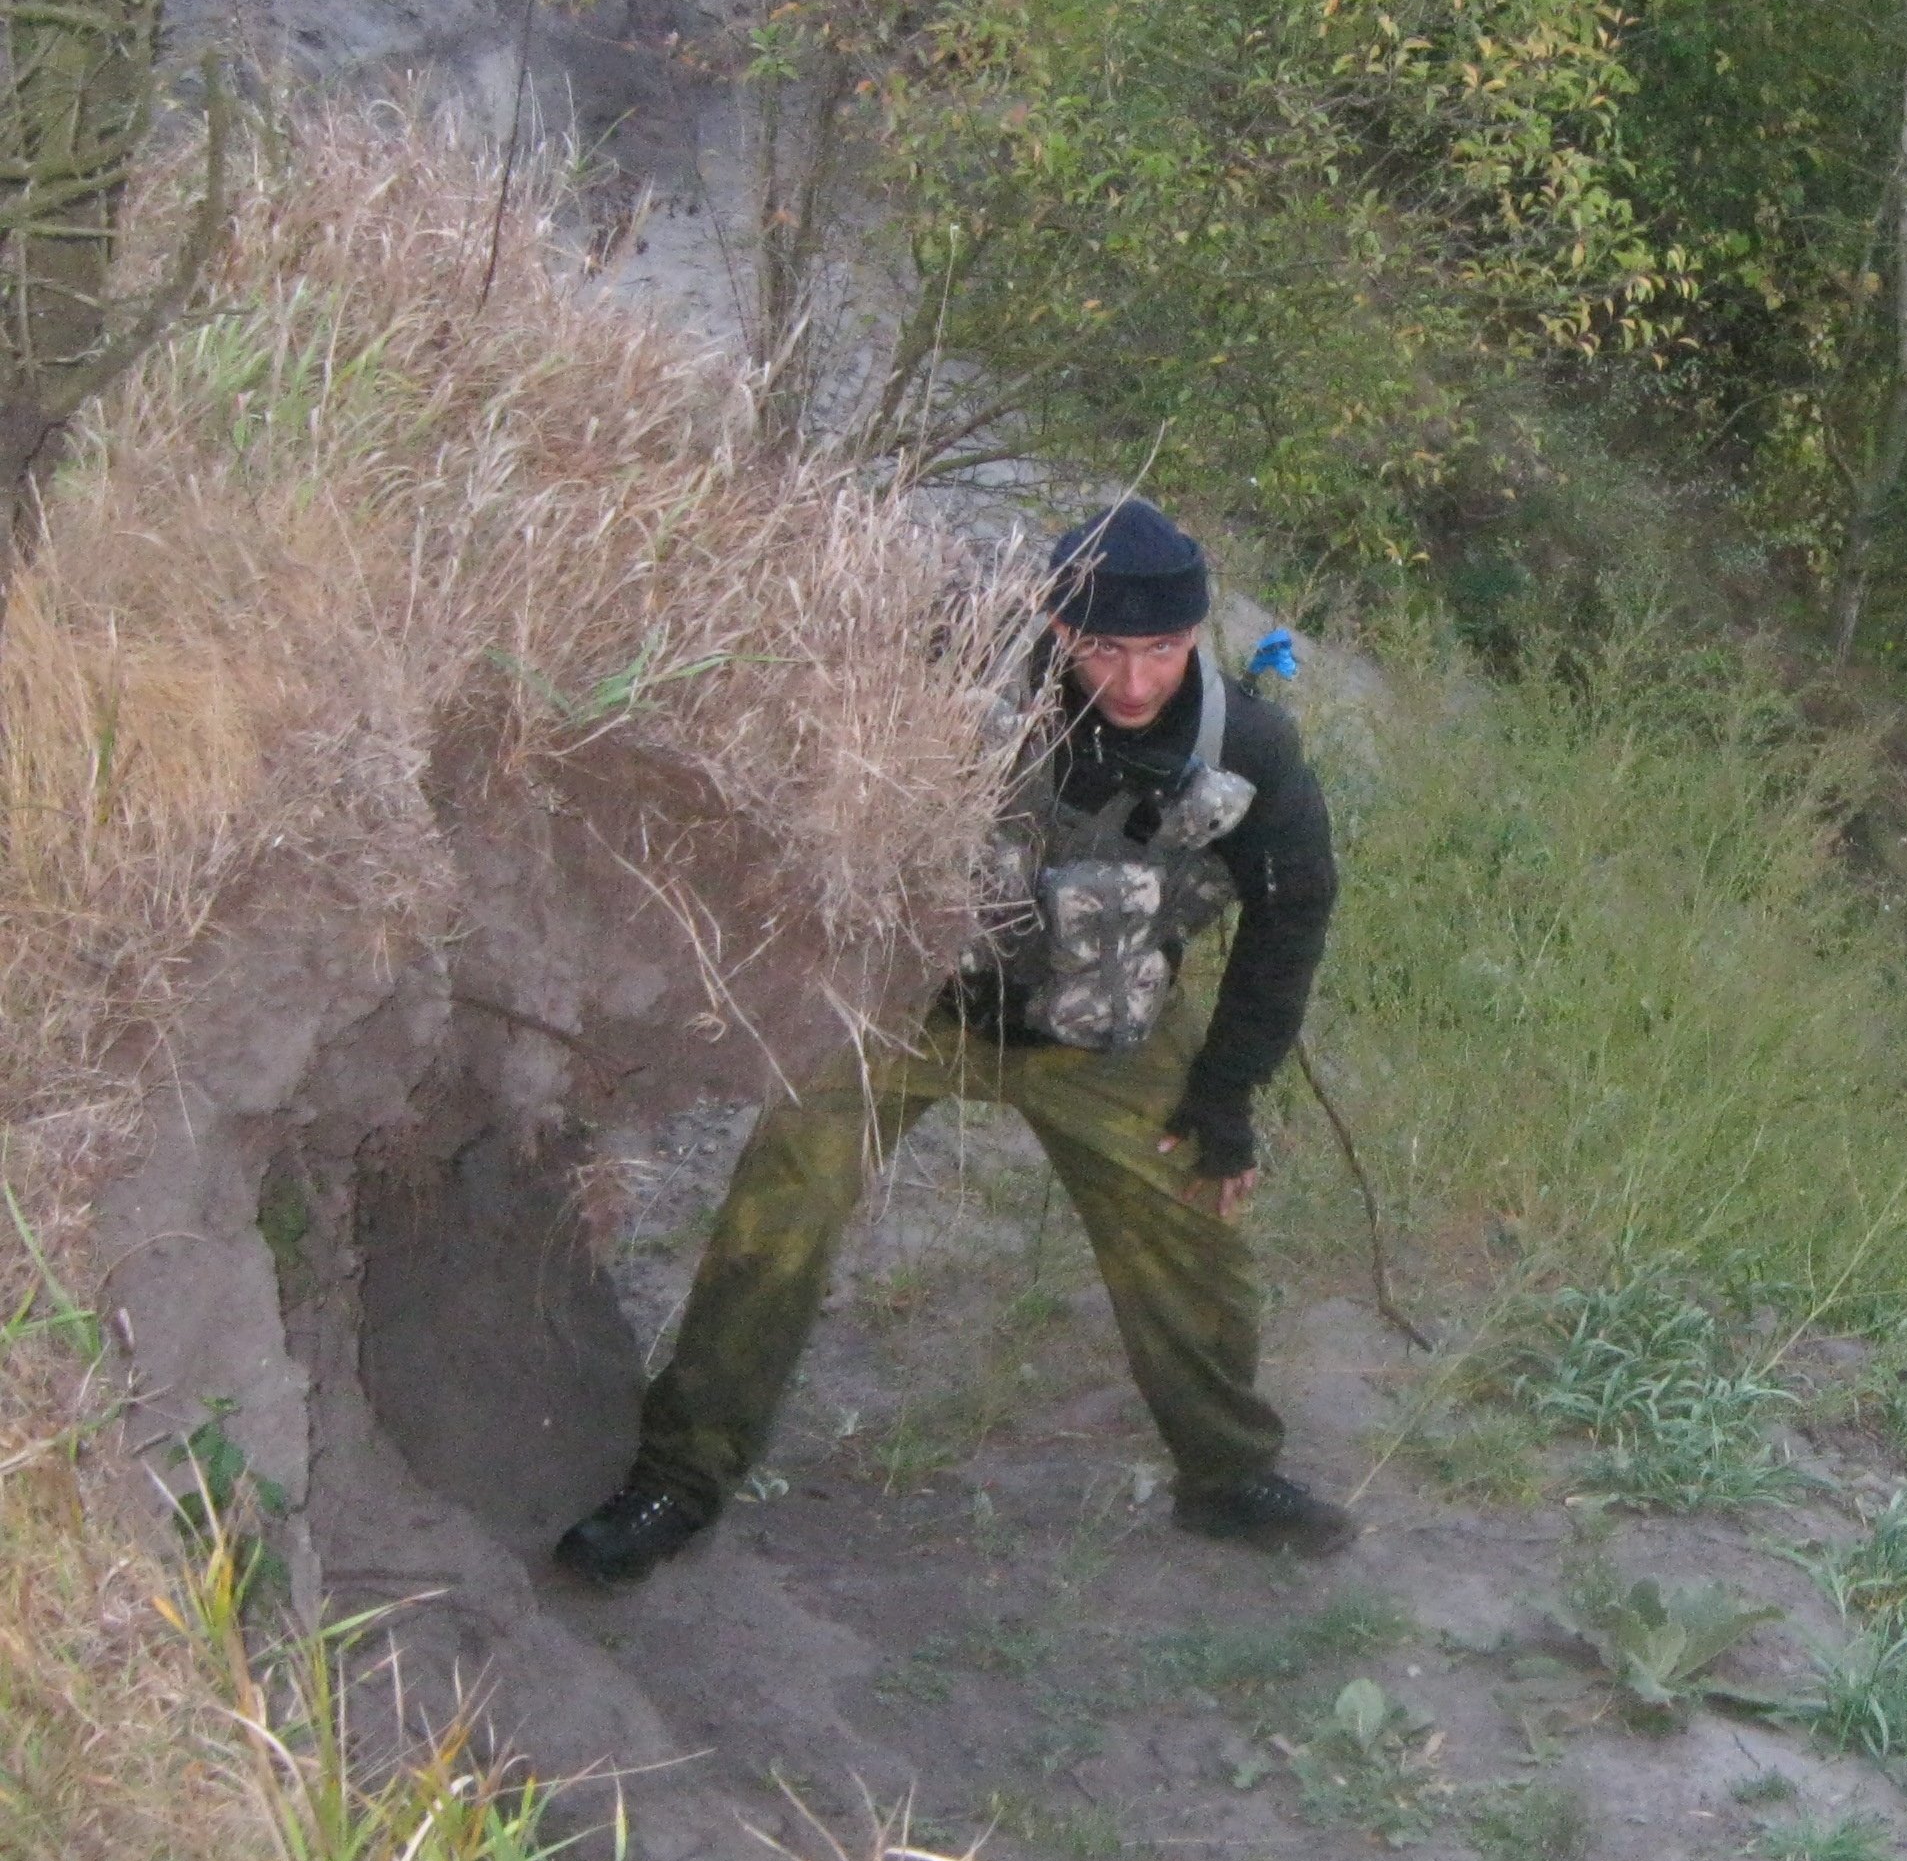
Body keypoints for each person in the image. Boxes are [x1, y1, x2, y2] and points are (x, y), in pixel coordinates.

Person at [554, 500, 1352, 1585]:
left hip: (1101, 1029)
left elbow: (1292, 912)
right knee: (777, 1210)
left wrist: (1227, 1093)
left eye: (1163, 648)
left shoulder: (1248, 744)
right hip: (912, 1009)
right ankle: (678, 1479)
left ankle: (1228, 1475)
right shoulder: (963, 688)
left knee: (1191, 1228)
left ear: (1197, 634)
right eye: (1102, 647)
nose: (1133, 682)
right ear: (1057, 629)